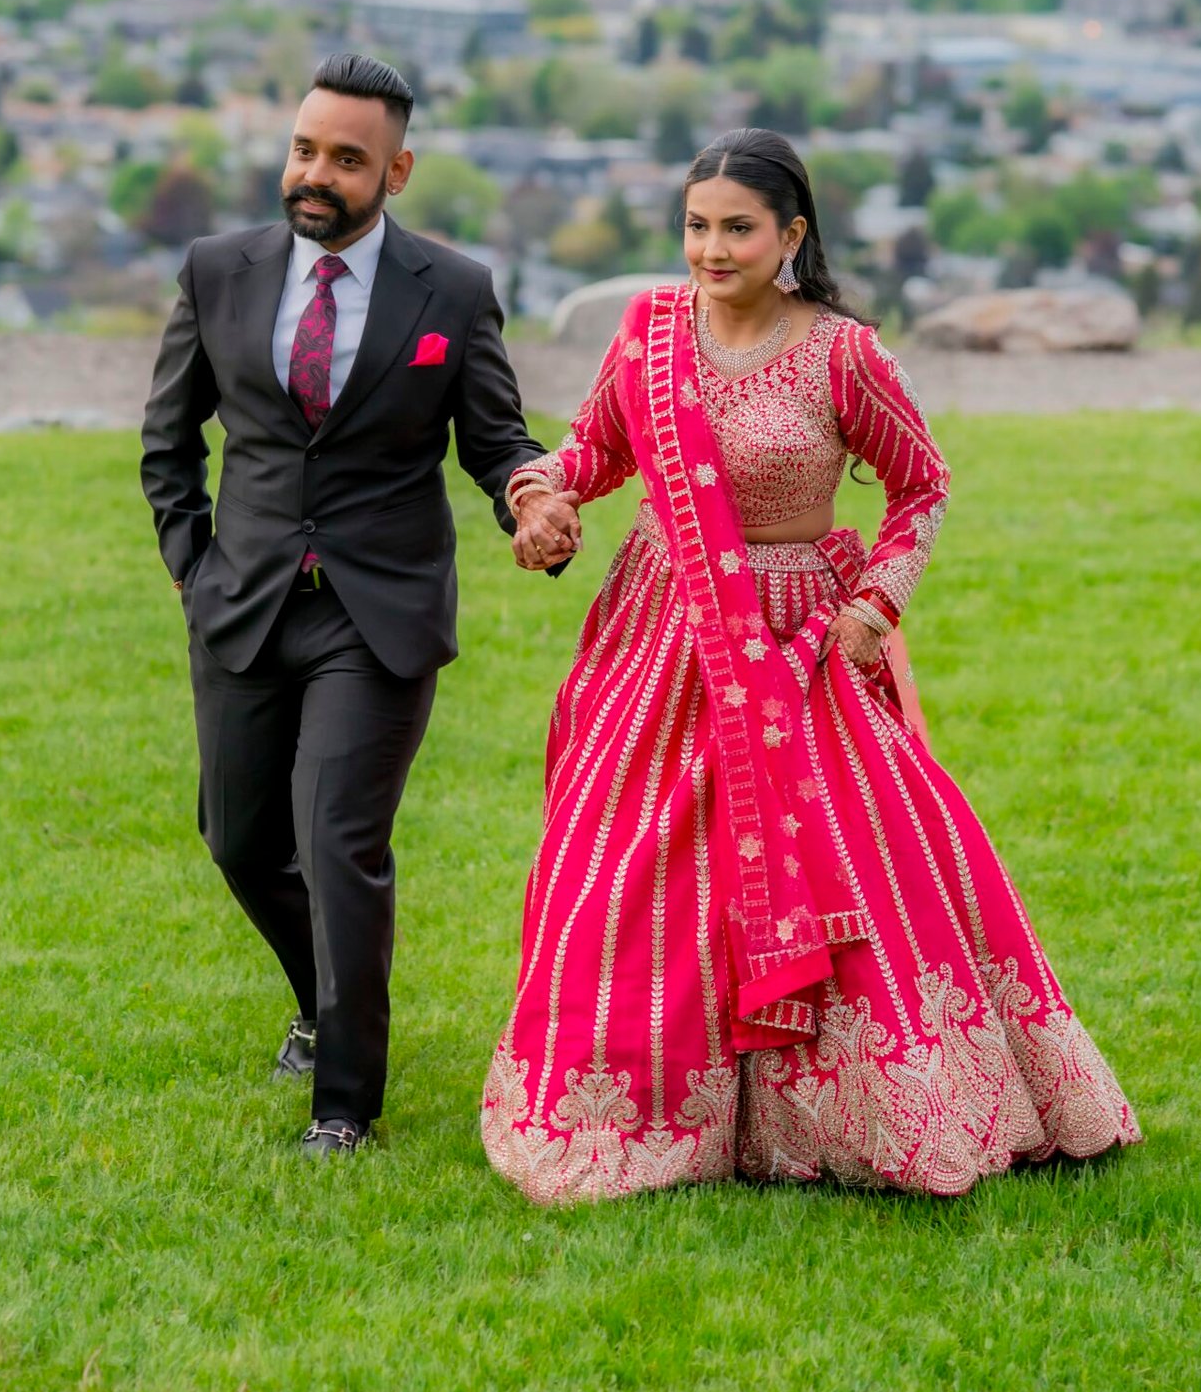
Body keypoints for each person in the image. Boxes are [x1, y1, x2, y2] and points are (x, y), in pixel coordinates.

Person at [482, 127, 1140, 1205]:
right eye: (696, 226)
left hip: (797, 647)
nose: (711, 249)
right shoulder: (648, 335)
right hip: (663, 629)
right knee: (631, 868)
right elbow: (594, 450)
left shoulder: (843, 354)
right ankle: (639, 1102)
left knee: (832, 863)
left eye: (737, 229)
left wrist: (876, 605)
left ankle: (846, 1108)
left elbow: (921, 485)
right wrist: (540, 494)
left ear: (790, 235)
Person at [139, 51, 578, 1157]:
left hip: (378, 614)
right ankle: (316, 1000)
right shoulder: (217, 270)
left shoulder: (453, 291)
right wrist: (193, 569)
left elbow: (495, 438)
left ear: (396, 171)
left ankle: (344, 1105)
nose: (316, 175)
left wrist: (530, 497)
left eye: (346, 159)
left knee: (338, 841)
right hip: (243, 604)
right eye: (304, 150)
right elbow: (168, 441)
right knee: (240, 841)